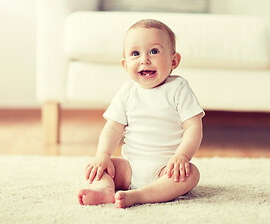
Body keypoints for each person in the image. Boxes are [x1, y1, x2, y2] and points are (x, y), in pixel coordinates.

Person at [78, 19, 205, 209]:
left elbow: (193, 127)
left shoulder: (178, 88)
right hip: (130, 167)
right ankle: (105, 190)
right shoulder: (127, 92)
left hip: (167, 169)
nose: (144, 59)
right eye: (135, 53)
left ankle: (140, 196)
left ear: (174, 61)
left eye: (154, 51)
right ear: (125, 64)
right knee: (98, 167)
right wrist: (102, 155)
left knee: (192, 174)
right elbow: (113, 128)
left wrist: (183, 156)